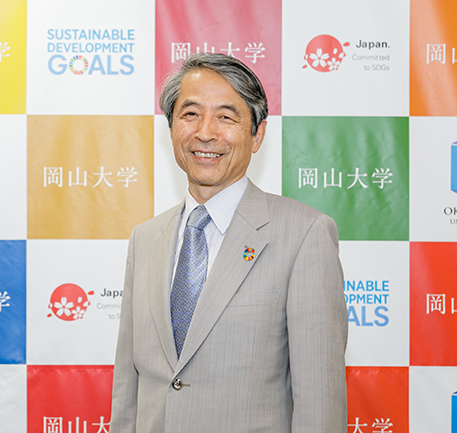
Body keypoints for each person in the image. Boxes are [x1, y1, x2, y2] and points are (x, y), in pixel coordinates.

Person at [110, 53, 348, 433]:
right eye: (190, 114)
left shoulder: (304, 235)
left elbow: (319, 404)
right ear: (171, 128)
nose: (205, 132)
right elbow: (128, 392)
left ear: (257, 135)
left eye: (226, 117)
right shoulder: (145, 239)